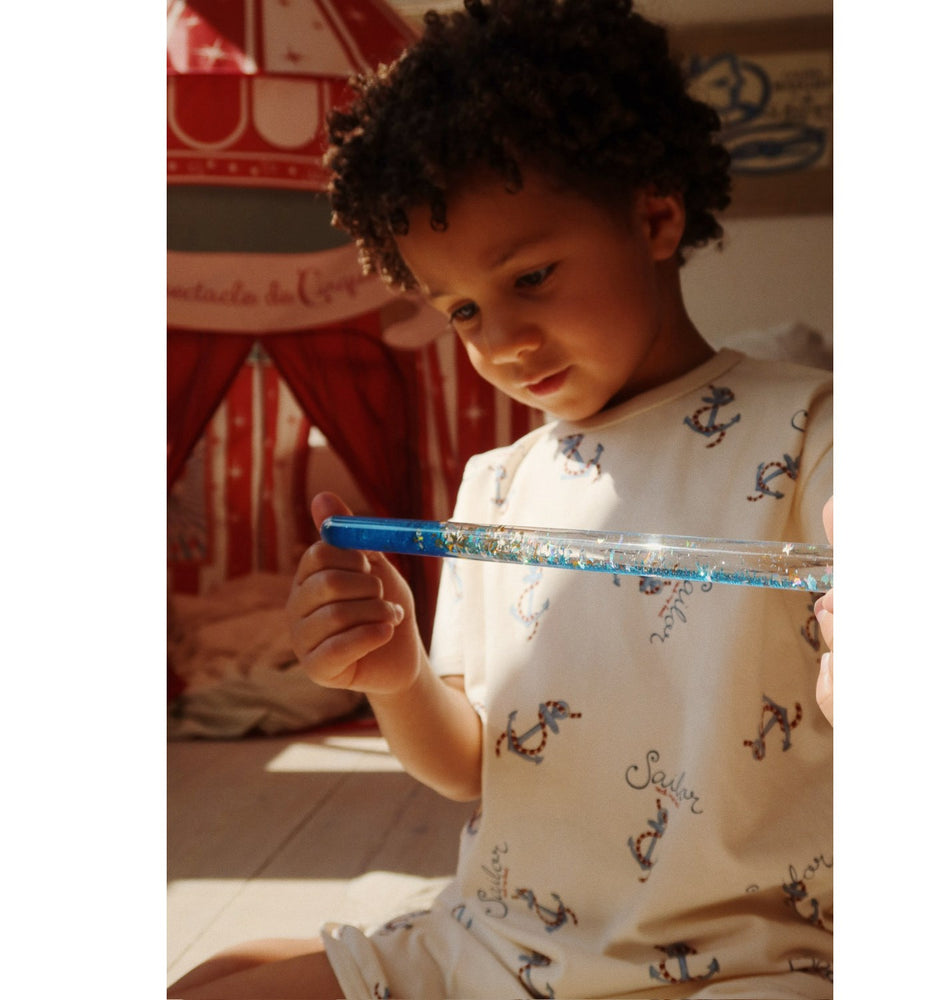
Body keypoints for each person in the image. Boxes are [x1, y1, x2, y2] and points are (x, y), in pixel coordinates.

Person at [167, 1, 833, 996]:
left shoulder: (814, 428)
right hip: (494, 944)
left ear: (655, 217)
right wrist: (395, 674)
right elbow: (470, 766)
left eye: (532, 276)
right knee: (210, 979)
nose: (500, 341)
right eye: (463, 309)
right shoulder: (496, 485)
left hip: (743, 964)